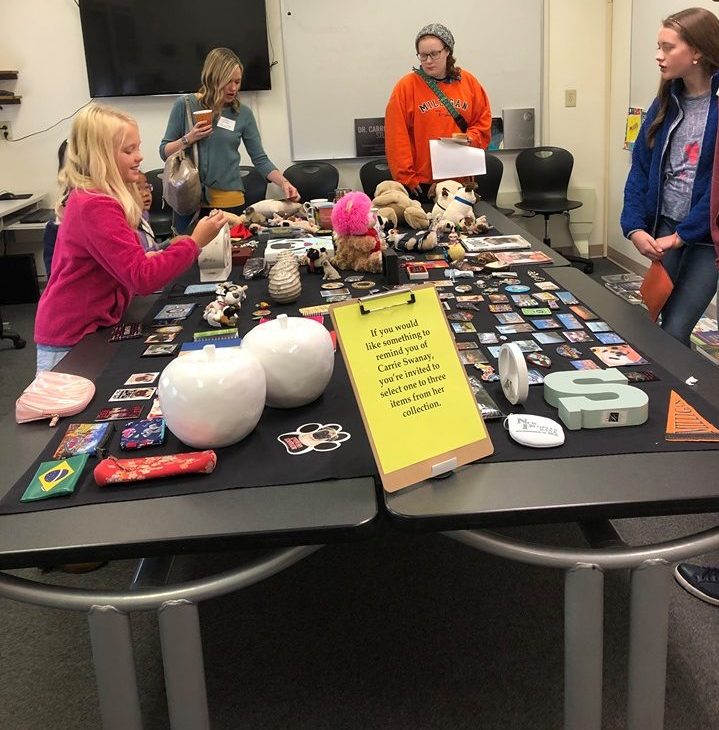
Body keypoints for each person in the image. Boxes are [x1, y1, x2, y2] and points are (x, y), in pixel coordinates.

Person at [34, 103, 227, 374]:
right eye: (128, 150)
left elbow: (123, 264)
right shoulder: (96, 205)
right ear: (101, 156)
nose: (139, 157)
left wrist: (148, 257)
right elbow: (141, 277)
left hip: (89, 329)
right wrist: (194, 242)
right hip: (71, 338)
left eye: (138, 147)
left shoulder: (97, 199)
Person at [620, 7, 719, 346]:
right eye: (658, 46)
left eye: (668, 47)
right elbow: (641, 167)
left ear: (698, 51)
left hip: (707, 238)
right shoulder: (666, 100)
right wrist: (634, 226)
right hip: (667, 227)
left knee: (675, 328)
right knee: (655, 320)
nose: (658, 56)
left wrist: (682, 236)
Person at [160, 47, 298, 233]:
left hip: (229, 202)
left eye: (237, 82)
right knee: (189, 250)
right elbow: (164, 152)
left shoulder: (243, 114)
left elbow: (260, 159)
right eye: (228, 82)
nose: (234, 88)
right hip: (189, 202)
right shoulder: (185, 105)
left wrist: (284, 183)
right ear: (213, 78)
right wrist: (189, 138)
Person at [384, 23, 492, 204]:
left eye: (434, 54)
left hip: (461, 180)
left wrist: (469, 138)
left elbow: (483, 123)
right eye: (423, 55)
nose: (428, 60)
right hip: (422, 184)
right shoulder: (406, 87)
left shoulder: (469, 83)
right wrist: (407, 177)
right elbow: (396, 136)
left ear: (447, 51)